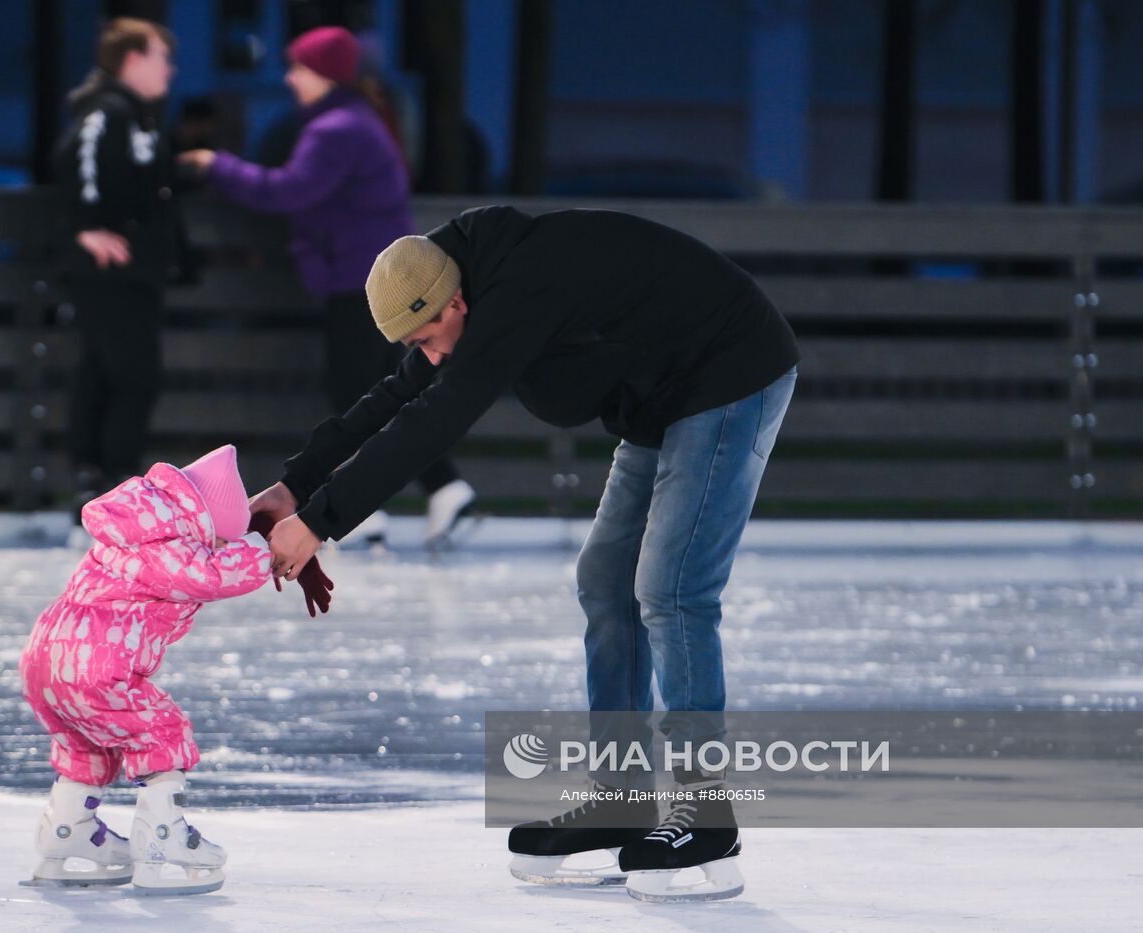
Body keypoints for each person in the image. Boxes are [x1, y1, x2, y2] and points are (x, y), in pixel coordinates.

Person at [248, 206, 799, 902]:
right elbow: (401, 390)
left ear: (457, 302)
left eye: (432, 336)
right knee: (606, 582)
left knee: (672, 584)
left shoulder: (514, 295)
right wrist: (295, 484)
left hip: (729, 372)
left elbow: (436, 420)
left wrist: (319, 522)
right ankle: (622, 796)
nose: (435, 354)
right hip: (660, 392)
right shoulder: (443, 275)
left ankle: (704, 810)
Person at [179, 25, 476, 549]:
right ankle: (446, 488)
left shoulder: (337, 129)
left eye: (298, 68)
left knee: (358, 396)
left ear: (325, 74)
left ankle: (379, 507)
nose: (290, 78)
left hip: (362, 285)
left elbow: (287, 190)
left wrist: (214, 165)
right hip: (369, 278)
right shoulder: (354, 122)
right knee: (383, 394)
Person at [18, 444, 332, 894]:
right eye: (221, 539)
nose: (221, 547)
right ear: (204, 525)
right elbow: (208, 575)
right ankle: (163, 837)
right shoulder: (168, 547)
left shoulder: (136, 530)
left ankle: (67, 832)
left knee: (86, 742)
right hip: (95, 665)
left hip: (45, 657)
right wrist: (266, 550)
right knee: (161, 731)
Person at [52, 18, 190, 510]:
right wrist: (84, 225)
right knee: (130, 374)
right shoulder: (107, 110)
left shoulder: (136, 115)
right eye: (161, 57)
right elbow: (78, 158)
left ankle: (100, 483)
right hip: (112, 270)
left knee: (111, 371)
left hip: (132, 269)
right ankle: (107, 485)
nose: (170, 70)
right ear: (132, 59)